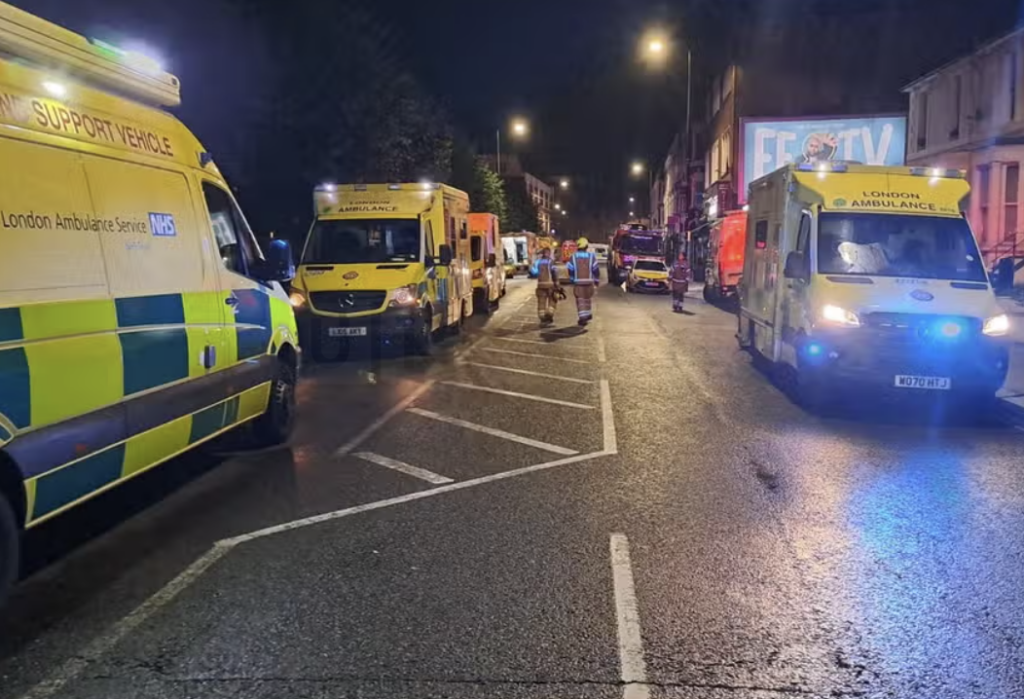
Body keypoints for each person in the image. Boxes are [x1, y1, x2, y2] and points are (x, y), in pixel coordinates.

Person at [567, 237, 600, 326]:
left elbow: (570, 269)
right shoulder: (591, 257)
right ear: (586, 246)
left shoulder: (573, 257)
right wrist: (596, 280)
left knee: (580, 300)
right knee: (587, 299)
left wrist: (572, 278)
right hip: (589, 282)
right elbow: (596, 269)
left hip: (578, 282)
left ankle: (583, 318)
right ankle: (588, 314)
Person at [530, 247, 561, 324]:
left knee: (541, 302)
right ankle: (549, 315)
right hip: (550, 285)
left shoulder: (538, 262)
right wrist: (557, 283)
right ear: (548, 253)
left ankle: (542, 317)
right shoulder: (551, 262)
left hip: (540, 285)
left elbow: (534, 273)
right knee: (553, 299)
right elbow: (554, 272)